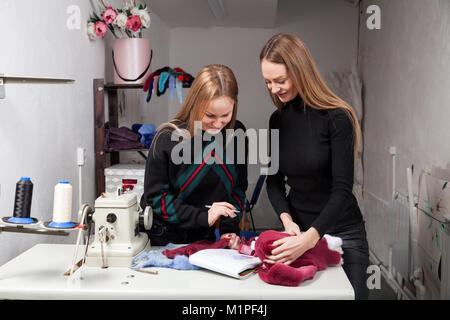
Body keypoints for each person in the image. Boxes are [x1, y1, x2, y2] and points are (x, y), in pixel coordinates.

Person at [260, 33, 370, 299]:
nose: (274, 89)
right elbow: (273, 181)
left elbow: (342, 189)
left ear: (300, 71)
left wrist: (310, 238)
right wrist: (287, 222)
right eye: (268, 82)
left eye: (280, 80)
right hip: (296, 233)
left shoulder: (338, 117)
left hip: (343, 234)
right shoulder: (277, 120)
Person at [140, 64, 247, 250]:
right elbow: (155, 198)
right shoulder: (167, 137)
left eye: (225, 115)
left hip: (203, 236)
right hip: (163, 236)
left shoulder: (236, 134)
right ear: (195, 103)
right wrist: (204, 217)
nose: (217, 123)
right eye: (210, 115)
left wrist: (228, 229)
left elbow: (237, 191)